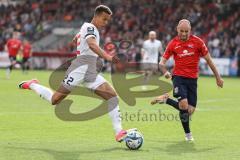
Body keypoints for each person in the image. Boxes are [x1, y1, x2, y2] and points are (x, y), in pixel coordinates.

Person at [19, 5, 136, 143]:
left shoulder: (87, 27)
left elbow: (84, 37)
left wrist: (78, 37)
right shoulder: (90, 28)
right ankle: (33, 84)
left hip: (90, 72)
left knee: (112, 97)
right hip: (79, 70)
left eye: (107, 20)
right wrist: (110, 58)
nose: (105, 23)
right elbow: (92, 45)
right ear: (97, 16)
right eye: (104, 19)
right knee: (55, 100)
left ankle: (119, 132)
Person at [151, 19, 224, 141]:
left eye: (186, 31)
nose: (184, 34)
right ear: (177, 29)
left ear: (190, 30)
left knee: (189, 111)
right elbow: (161, 63)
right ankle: (188, 135)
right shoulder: (173, 44)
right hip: (178, 77)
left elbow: (209, 60)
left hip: (193, 80)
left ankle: (166, 100)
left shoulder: (198, 42)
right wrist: (165, 73)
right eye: (181, 31)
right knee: (183, 105)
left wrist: (218, 77)